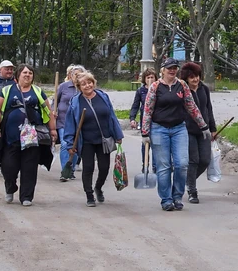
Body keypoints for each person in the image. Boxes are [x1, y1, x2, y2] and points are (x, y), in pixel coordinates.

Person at [141, 57, 211, 211]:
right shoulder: (155, 87)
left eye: (174, 68)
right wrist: (145, 133)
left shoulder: (182, 85)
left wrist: (203, 126)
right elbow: (148, 110)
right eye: (169, 68)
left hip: (179, 129)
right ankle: (166, 199)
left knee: (182, 164)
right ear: (163, 70)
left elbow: (191, 106)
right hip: (159, 129)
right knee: (164, 166)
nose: (172, 70)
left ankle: (177, 196)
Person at [0, 64, 56, 207]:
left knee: (29, 167)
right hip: (11, 138)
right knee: (8, 167)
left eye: (30, 73)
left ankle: (26, 196)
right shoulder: (7, 90)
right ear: (18, 75)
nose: (27, 75)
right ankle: (10, 188)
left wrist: (52, 130)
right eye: (25, 72)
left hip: (32, 138)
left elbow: (49, 112)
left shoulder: (38, 91)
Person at [63, 71, 124, 207]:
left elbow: (112, 116)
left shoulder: (103, 96)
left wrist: (118, 134)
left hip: (104, 139)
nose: (87, 86)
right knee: (88, 167)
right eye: (83, 84)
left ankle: (98, 187)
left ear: (93, 82)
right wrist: (69, 143)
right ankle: (89, 195)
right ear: (79, 87)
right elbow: (70, 124)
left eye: (89, 82)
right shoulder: (75, 102)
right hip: (86, 141)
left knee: (104, 168)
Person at [180, 62, 217, 204]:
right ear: (186, 78)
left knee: (205, 160)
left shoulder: (204, 89)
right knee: (193, 160)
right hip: (188, 130)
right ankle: (192, 190)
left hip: (204, 130)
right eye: (192, 77)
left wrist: (213, 128)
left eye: (197, 76)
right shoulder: (182, 90)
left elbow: (209, 109)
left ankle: (187, 180)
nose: (195, 79)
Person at [55, 64, 84, 181]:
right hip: (63, 121)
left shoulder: (84, 87)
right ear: (70, 75)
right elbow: (55, 101)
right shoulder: (64, 86)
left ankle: (70, 169)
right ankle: (64, 171)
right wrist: (53, 111)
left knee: (76, 146)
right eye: (75, 74)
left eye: (80, 74)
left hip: (79, 122)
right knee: (65, 144)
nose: (77, 76)